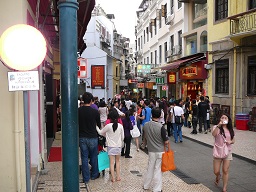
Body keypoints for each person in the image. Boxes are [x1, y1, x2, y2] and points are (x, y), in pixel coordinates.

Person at [143, 107, 169, 192]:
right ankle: (157, 189)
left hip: (151, 150)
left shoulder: (146, 125)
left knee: (150, 168)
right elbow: (166, 141)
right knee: (158, 170)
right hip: (160, 151)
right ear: (160, 115)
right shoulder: (161, 127)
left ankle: (146, 185)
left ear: (151, 114)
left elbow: (145, 137)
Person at [78, 92, 101, 185]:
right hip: (93, 137)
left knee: (84, 157)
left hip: (82, 137)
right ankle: (94, 174)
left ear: (83, 100)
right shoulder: (95, 112)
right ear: (91, 101)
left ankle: (86, 178)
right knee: (94, 156)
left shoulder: (78, 111)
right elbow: (98, 124)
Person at [96, 109, 124, 182]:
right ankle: (118, 177)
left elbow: (100, 132)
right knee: (117, 162)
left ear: (110, 117)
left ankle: (113, 178)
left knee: (111, 163)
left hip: (110, 147)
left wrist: (96, 126)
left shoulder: (108, 126)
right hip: (118, 146)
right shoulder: (120, 126)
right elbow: (122, 137)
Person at [211, 113, 235, 192]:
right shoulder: (216, 127)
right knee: (216, 171)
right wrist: (219, 125)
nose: (224, 119)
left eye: (226, 118)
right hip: (218, 151)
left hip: (227, 151)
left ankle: (224, 187)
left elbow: (233, 140)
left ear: (228, 120)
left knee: (225, 170)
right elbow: (214, 134)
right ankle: (218, 176)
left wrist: (230, 141)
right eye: (222, 118)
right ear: (220, 119)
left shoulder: (230, 129)